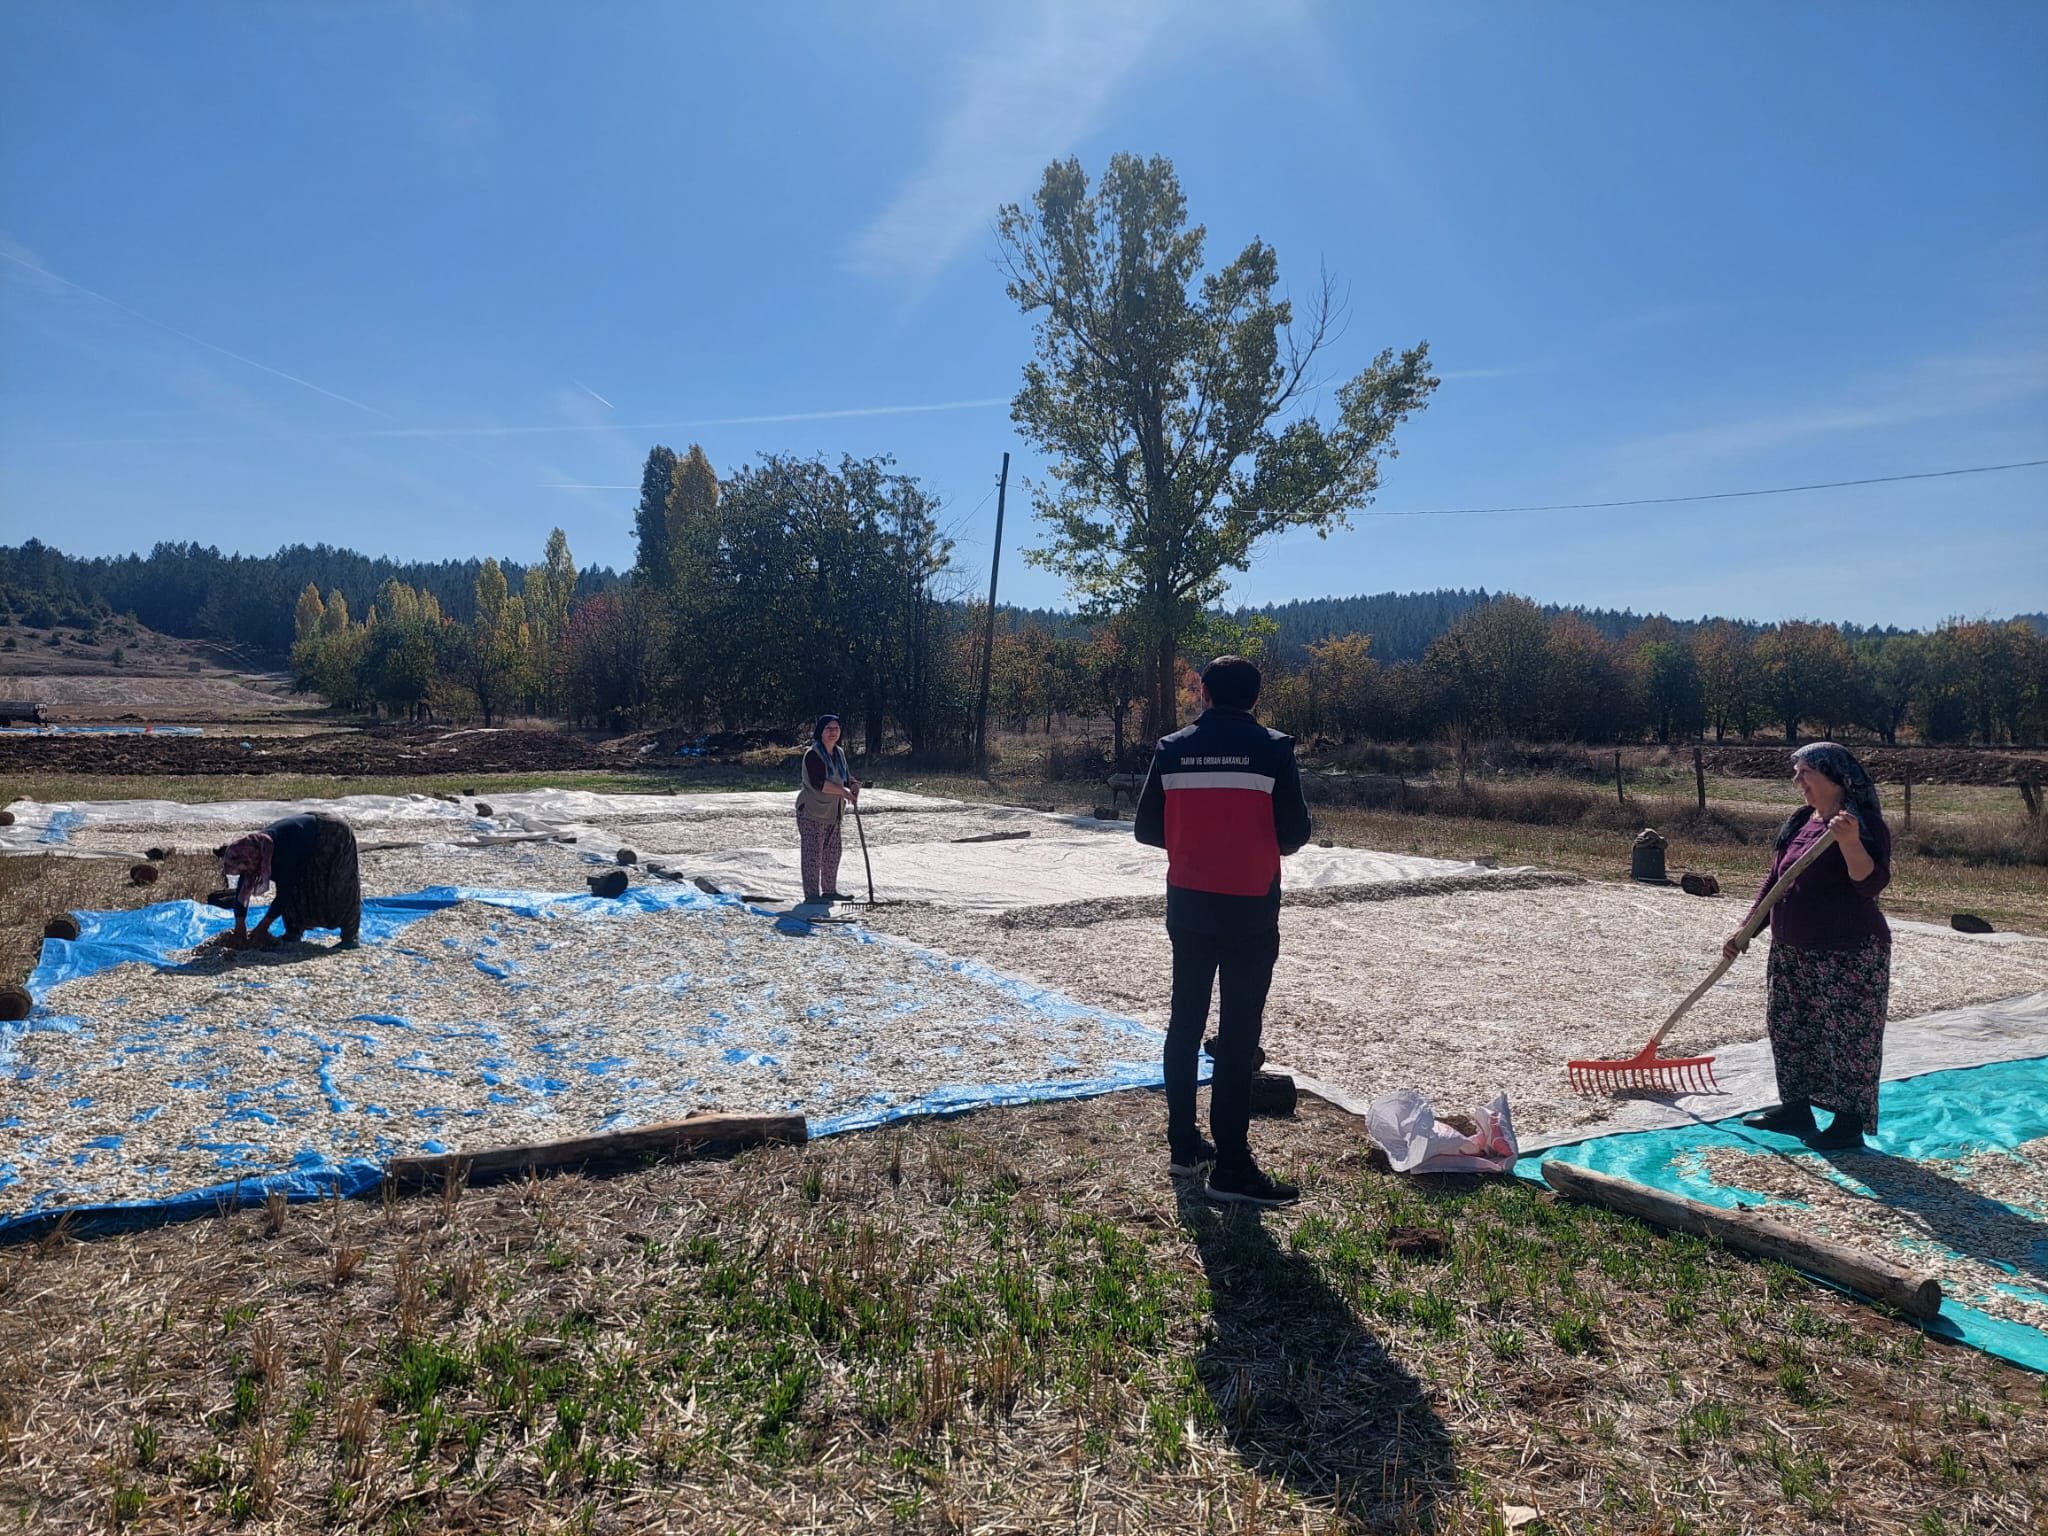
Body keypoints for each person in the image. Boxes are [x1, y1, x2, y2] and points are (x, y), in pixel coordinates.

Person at [1134, 655, 1312, 1206]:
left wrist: (1197, 844)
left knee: (1183, 1025)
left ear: (1204, 694)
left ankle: (1183, 1147)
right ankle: (1232, 1166)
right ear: (1255, 700)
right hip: (1251, 909)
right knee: (1237, 1036)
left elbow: (1145, 829)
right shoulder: (1275, 749)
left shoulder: (1171, 749)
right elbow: (1294, 834)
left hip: (1188, 904)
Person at [1724, 742, 1892, 1150]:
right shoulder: (1802, 820)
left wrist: (1850, 842)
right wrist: (1746, 930)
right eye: (1797, 772)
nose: (1797, 780)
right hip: (1791, 949)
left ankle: (1848, 1123)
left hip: (1848, 952)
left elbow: (1869, 884)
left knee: (1848, 1037)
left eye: (1805, 773)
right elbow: (1776, 882)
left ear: (1833, 778)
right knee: (1790, 1029)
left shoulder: (1862, 822)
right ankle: (1795, 1108)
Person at [215, 811, 362, 950]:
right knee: (301, 886)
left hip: (332, 833)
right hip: (304, 838)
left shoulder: (279, 854)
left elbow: (284, 893)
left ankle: (350, 936)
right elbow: (243, 889)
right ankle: (293, 932)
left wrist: (263, 927)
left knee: (338, 885)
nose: (246, 873)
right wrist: (240, 927)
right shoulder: (253, 851)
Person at [795, 714, 861, 903]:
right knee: (812, 855)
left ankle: (829, 890)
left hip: (833, 813)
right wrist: (844, 792)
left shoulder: (838, 753)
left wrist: (854, 784)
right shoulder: (814, 754)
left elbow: (845, 776)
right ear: (821, 732)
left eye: (836, 728)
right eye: (828, 729)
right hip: (812, 811)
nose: (833, 732)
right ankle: (812, 895)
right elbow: (819, 784)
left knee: (833, 853)